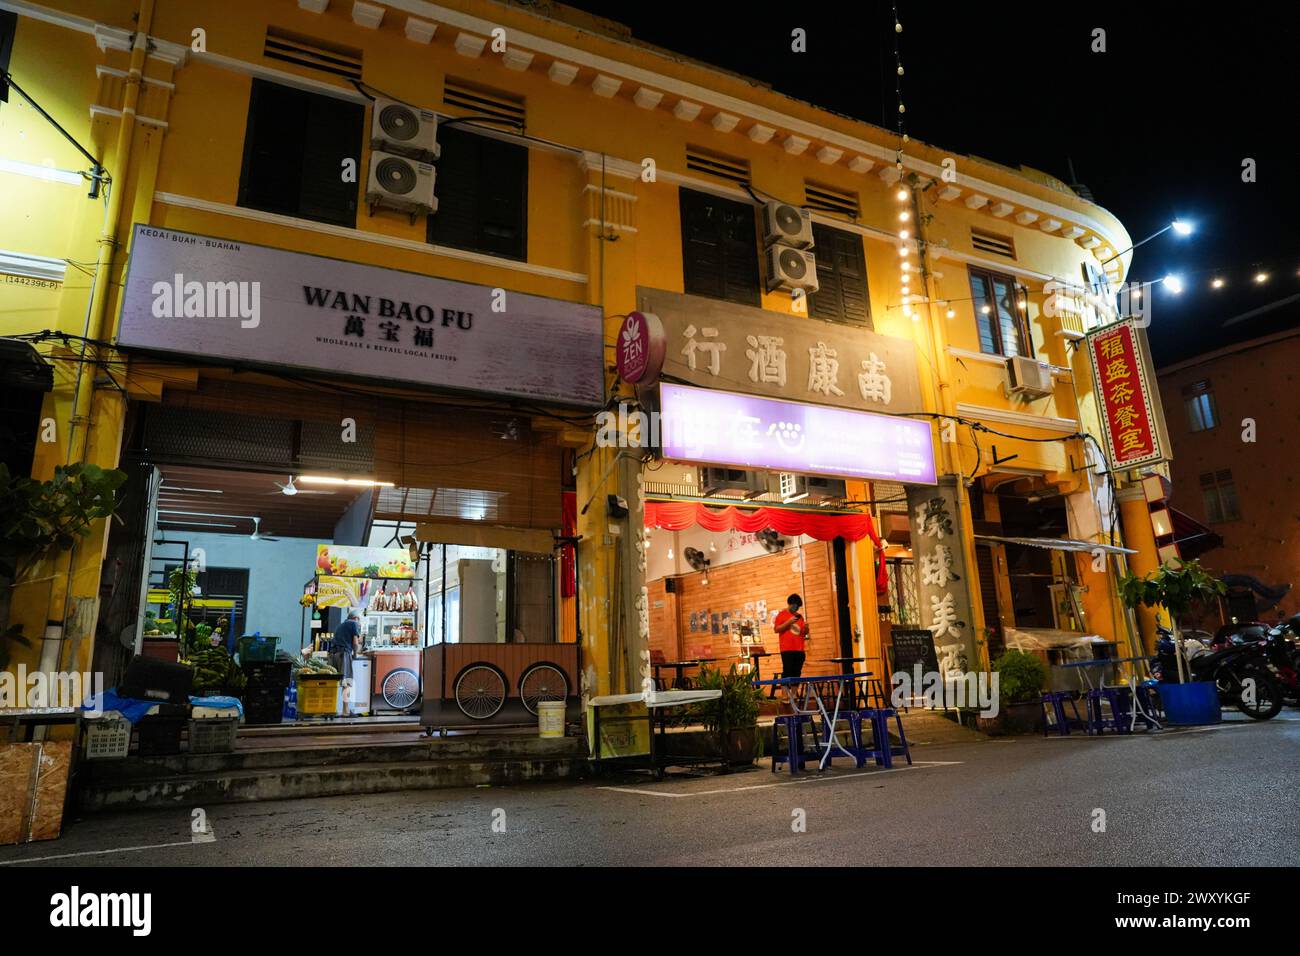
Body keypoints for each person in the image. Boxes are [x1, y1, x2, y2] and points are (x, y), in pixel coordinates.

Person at [329, 611, 362, 715]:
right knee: (346, 682)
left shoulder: (341, 625)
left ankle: (331, 709)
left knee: (334, 683)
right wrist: (355, 654)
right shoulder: (354, 623)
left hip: (333, 655)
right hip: (344, 654)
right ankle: (345, 710)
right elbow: (355, 643)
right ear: (356, 618)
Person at [774, 593, 810, 680]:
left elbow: (803, 633)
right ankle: (785, 694)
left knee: (797, 674)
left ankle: (793, 694)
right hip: (787, 649)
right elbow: (776, 629)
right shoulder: (781, 614)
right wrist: (789, 622)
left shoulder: (799, 617)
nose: (797, 608)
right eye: (795, 606)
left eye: (798, 606)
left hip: (800, 649)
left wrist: (806, 628)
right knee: (787, 672)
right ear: (790, 604)